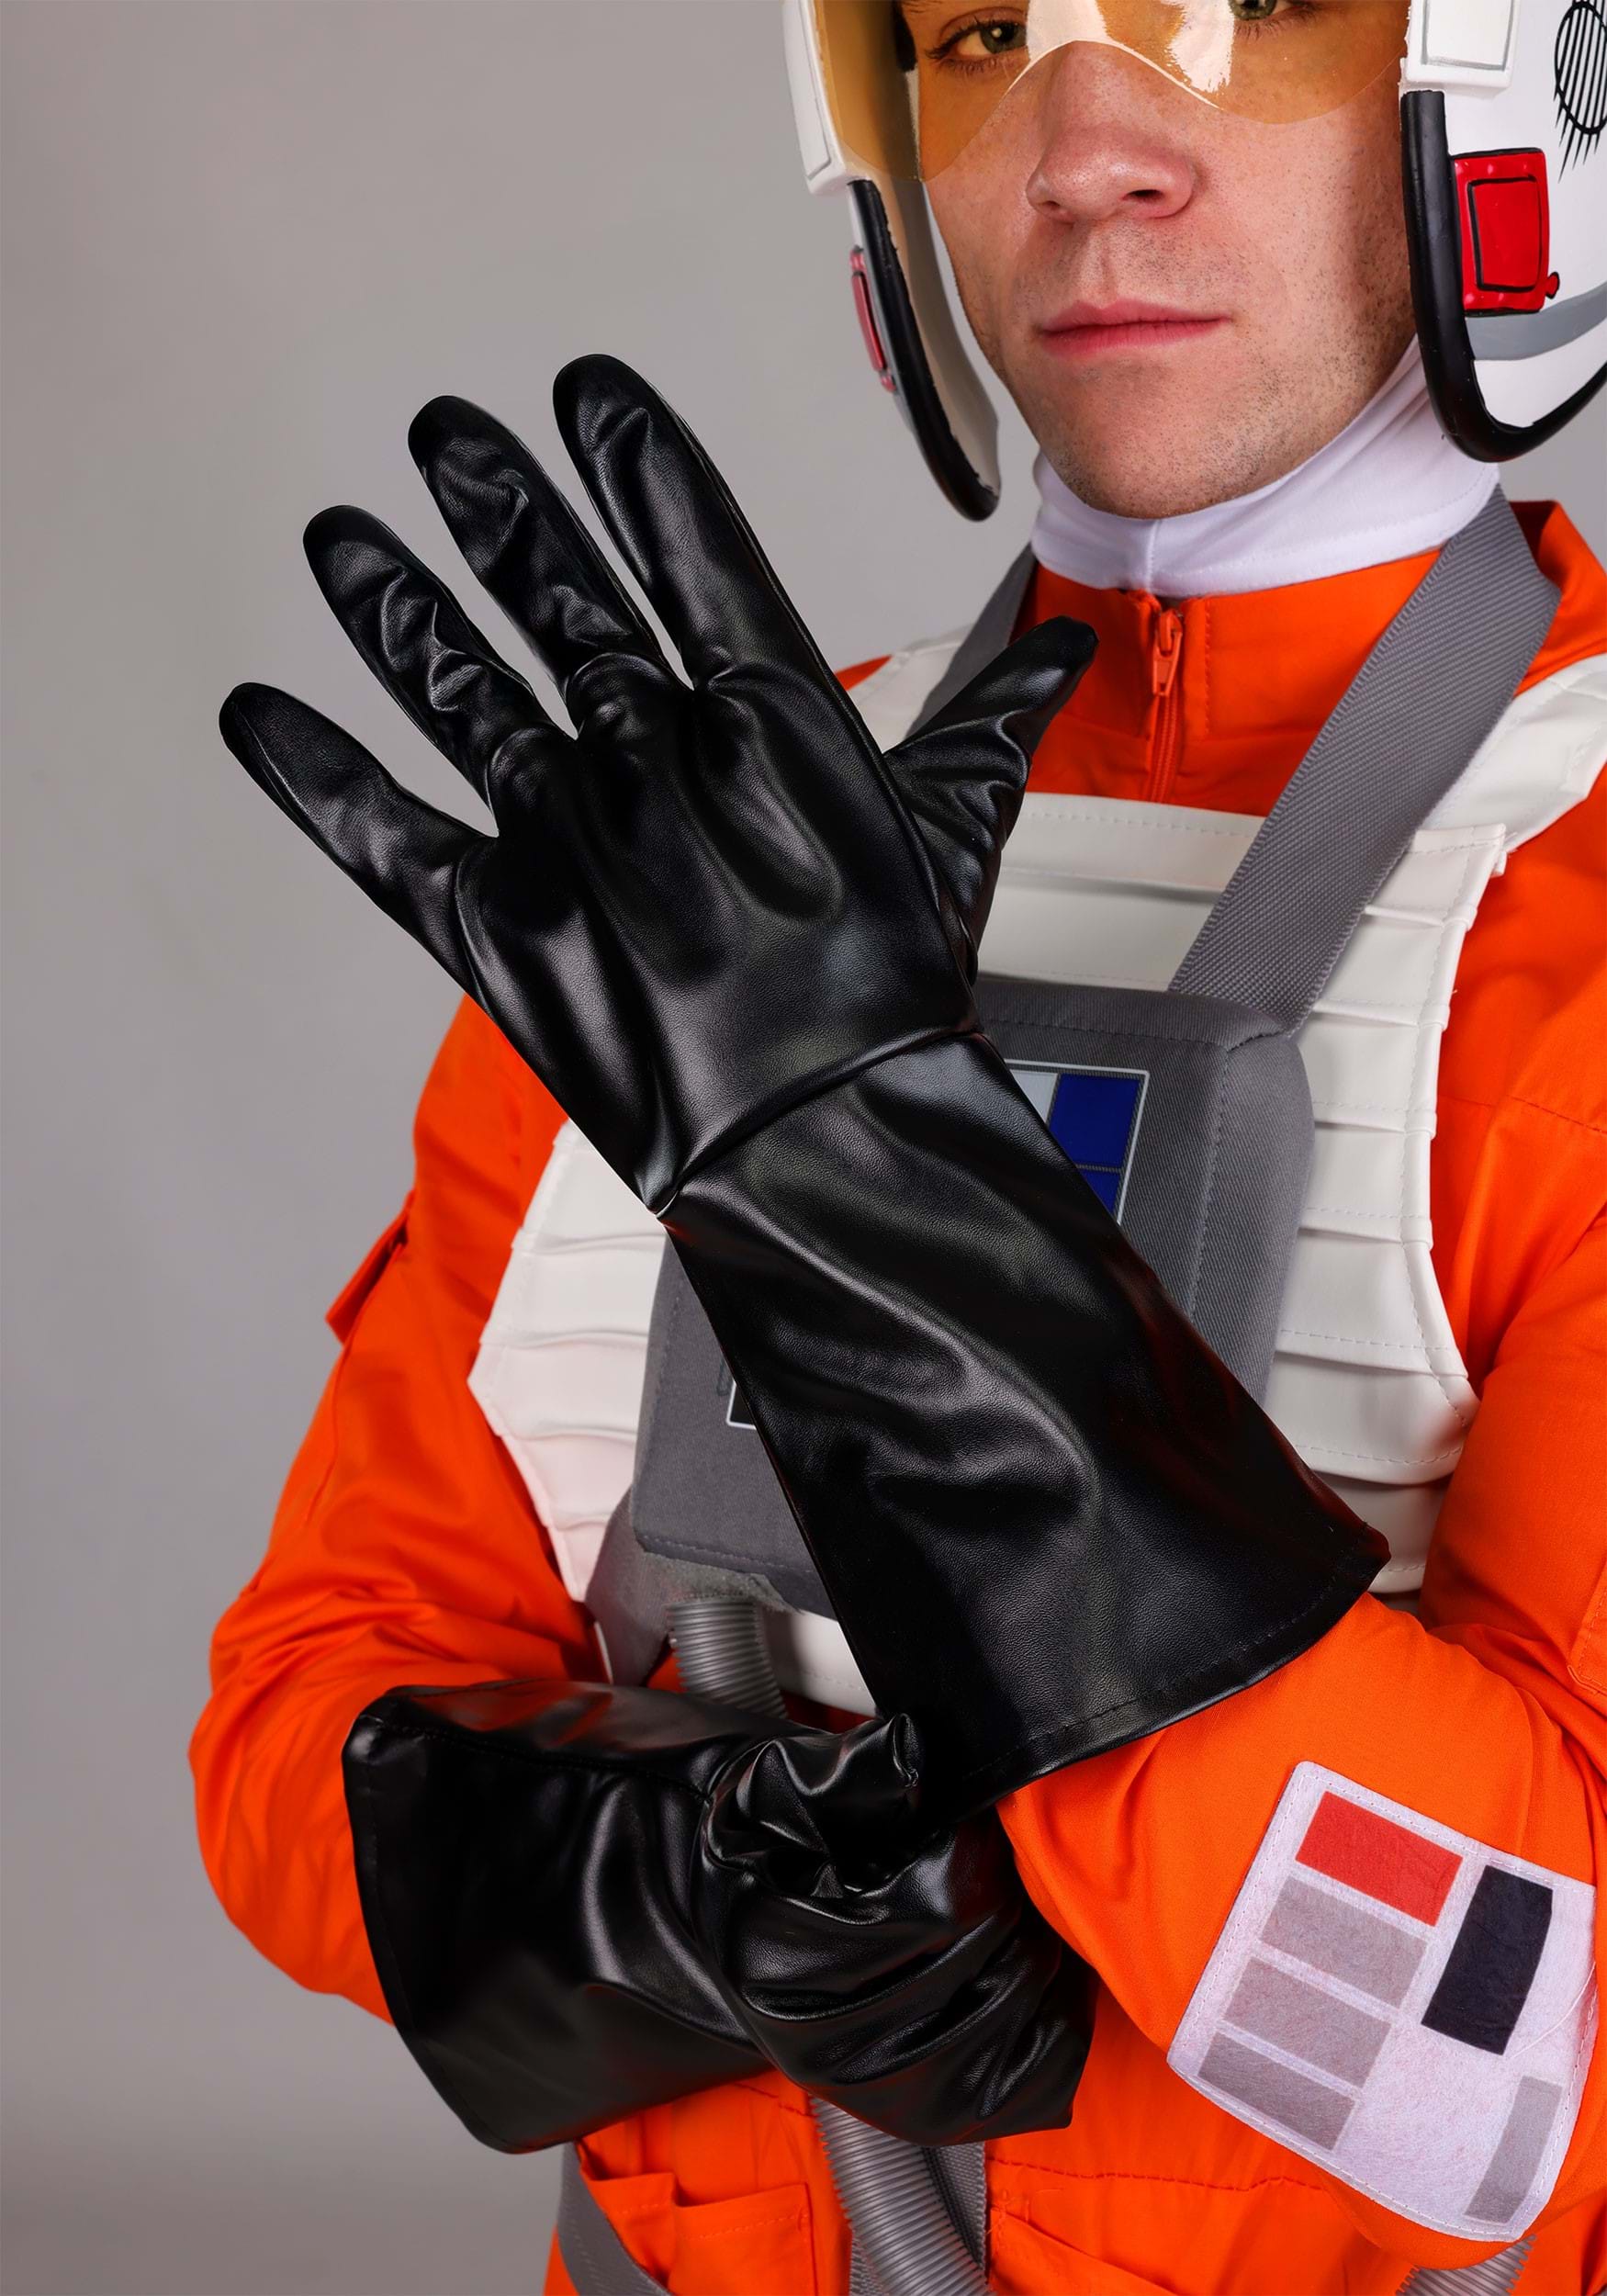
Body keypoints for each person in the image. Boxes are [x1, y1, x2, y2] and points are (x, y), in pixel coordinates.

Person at [192, 4, 1607, 2290]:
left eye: (1249, 7)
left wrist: (878, 1209)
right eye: (974, 31)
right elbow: (294, 1732)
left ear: (1500, 71)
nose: (1085, 149)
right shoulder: (696, 887)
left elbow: (1527, 2060)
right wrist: (676, 1888)